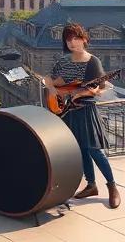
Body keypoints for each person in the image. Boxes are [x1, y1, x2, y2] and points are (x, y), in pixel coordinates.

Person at [39, 23, 120, 209]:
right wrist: (53, 90)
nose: (72, 43)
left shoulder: (93, 62)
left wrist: (82, 93)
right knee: (80, 149)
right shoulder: (64, 61)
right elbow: (49, 79)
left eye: (75, 38)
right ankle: (91, 184)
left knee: (93, 150)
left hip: (85, 110)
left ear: (84, 39)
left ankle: (112, 187)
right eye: (68, 40)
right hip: (67, 111)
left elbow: (99, 89)